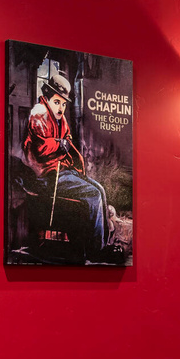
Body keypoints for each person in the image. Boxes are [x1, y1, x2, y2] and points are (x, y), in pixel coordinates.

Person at [22, 72, 120, 263]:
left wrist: (65, 150)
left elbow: (67, 142)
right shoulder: (38, 115)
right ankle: (95, 250)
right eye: (57, 102)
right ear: (47, 98)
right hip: (46, 176)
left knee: (99, 189)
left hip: (62, 171)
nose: (61, 107)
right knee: (92, 194)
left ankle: (102, 244)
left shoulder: (61, 119)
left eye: (64, 103)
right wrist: (59, 144)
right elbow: (41, 148)